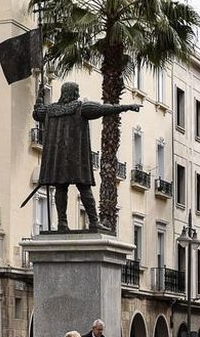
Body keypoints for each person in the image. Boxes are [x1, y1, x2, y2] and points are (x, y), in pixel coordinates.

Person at [30, 81, 142, 230]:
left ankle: (62, 223)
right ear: (74, 93)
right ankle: (94, 222)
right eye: (77, 91)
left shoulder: (50, 110)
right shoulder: (81, 107)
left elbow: (37, 113)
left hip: (57, 159)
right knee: (84, 188)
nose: (78, 94)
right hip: (76, 158)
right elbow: (104, 109)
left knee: (60, 189)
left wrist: (39, 97)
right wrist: (126, 107)